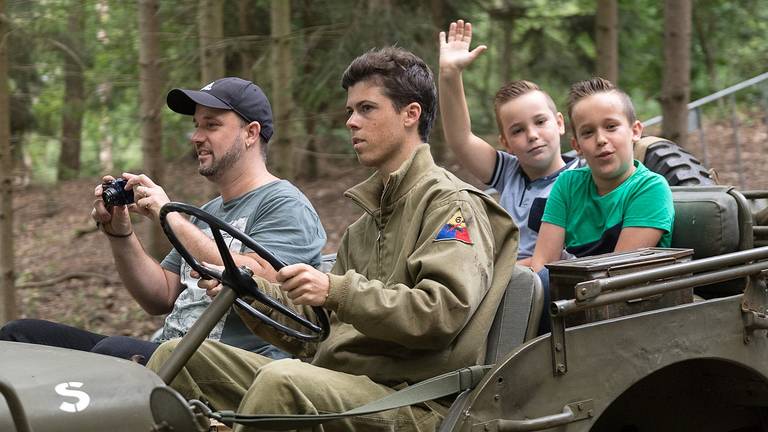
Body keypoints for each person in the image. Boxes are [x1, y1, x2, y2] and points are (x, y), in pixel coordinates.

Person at [147, 47, 519, 432]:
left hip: (413, 398)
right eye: (349, 112)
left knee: (285, 381)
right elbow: (317, 328)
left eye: (366, 109)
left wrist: (336, 290)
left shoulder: (449, 205)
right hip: (342, 381)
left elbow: (439, 313)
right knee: (176, 356)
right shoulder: (366, 224)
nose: (351, 122)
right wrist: (248, 289)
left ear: (411, 114)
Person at [0, 77, 327, 364]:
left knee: (113, 355)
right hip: (167, 352)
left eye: (211, 125)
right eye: (196, 125)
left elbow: (261, 282)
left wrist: (168, 215)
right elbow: (161, 296)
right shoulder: (209, 212)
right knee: (20, 336)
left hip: (229, 370)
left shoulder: (284, 203)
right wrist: (121, 235)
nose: (196, 137)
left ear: (250, 133)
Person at [530, 77, 674, 333]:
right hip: (572, 302)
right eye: (588, 132)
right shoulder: (567, 184)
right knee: (528, 282)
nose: (600, 139)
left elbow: (616, 274)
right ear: (577, 146)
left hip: (628, 306)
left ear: (635, 131)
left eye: (611, 126)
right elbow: (543, 262)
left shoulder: (650, 188)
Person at [438, 19, 578, 265]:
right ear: (506, 142)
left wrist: (506, 269)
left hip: (542, 281)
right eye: (518, 130)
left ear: (559, 123)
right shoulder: (509, 172)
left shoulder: (581, 176)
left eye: (540, 122)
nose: (532, 135)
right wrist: (450, 75)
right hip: (504, 277)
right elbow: (460, 139)